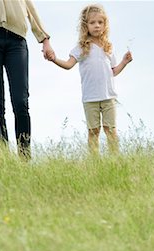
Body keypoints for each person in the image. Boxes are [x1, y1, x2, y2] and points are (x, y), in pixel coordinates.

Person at [0, 0, 54, 159]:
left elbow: (30, 10)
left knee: (21, 101)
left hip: (17, 41)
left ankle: (25, 156)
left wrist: (45, 40)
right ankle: (3, 156)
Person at [49, 4, 133, 154]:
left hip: (109, 96)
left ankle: (115, 161)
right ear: (85, 25)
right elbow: (68, 65)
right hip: (90, 98)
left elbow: (113, 71)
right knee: (93, 132)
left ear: (104, 25)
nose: (96, 26)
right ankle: (94, 163)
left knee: (111, 131)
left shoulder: (108, 47)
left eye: (100, 23)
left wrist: (124, 62)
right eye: (92, 22)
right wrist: (54, 59)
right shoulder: (82, 47)